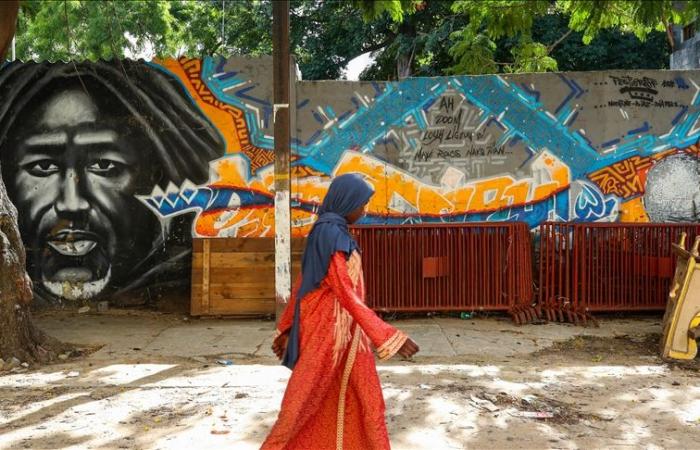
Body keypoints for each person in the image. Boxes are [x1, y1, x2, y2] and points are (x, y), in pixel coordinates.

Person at [0, 61, 225, 305]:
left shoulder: (175, 286)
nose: (72, 204)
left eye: (104, 166)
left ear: (155, 175)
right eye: (43, 167)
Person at [263, 173, 420, 450]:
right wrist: (388, 336)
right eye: (361, 204)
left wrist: (288, 327)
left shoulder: (330, 231)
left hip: (348, 334)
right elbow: (344, 292)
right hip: (327, 334)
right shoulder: (331, 234)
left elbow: (304, 282)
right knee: (300, 404)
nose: (365, 210)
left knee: (367, 401)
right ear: (346, 202)